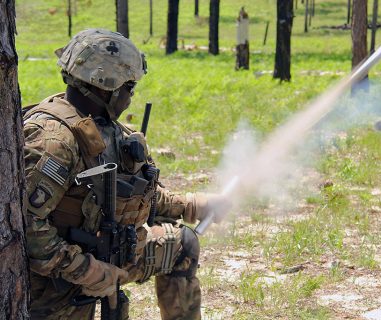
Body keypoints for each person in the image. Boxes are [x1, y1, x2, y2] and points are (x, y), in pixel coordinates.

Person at [23, 29, 228, 320]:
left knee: (183, 244)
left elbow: (134, 194)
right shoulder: (54, 141)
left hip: (114, 256)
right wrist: (88, 271)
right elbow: (26, 226)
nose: (131, 97)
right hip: (56, 283)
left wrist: (191, 205)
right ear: (106, 85)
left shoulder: (111, 131)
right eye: (129, 87)